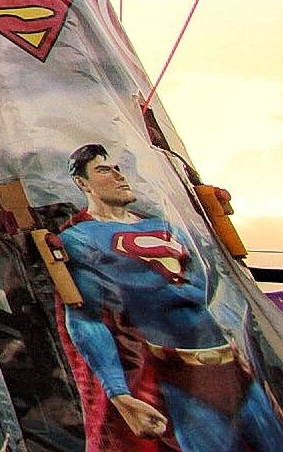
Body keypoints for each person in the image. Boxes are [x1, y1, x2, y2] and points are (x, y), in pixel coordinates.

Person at [56, 143, 283, 452]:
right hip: (182, 377)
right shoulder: (80, 238)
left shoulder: (165, 226)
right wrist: (119, 394)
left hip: (235, 366)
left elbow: (214, 288)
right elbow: (86, 318)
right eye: (104, 170)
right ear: (82, 183)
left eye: (118, 168)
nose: (118, 176)